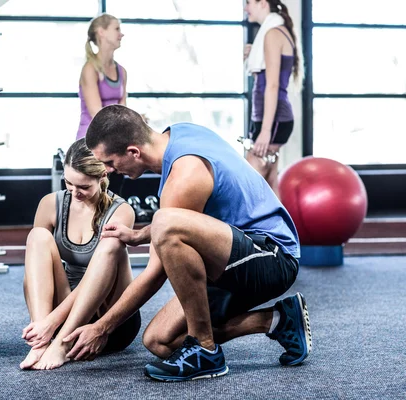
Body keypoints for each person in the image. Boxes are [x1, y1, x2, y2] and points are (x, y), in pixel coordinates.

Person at [63, 105, 311, 382]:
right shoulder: (178, 134)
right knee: (160, 341)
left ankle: (205, 350)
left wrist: (102, 327)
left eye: (110, 162)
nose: (109, 171)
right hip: (230, 254)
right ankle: (277, 320)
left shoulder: (185, 174)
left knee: (166, 222)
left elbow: (157, 270)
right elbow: (195, 220)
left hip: (272, 256)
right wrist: (140, 235)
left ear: (133, 152)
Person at [20, 138, 140, 370]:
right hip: (67, 306)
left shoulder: (121, 210)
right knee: (37, 237)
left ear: (102, 177)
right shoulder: (50, 204)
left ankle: (61, 345)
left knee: (111, 245)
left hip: (110, 317)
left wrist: (53, 321)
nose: (75, 192)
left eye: (84, 187)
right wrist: (43, 323)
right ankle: (40, 343)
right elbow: (34, 271)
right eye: (69, 183)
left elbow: (99, 275)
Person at [244, 0, 301, 196]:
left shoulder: (273, 33)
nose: (246, 8)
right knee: (269, 183)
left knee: (249, 183)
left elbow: (273, 85)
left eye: (249, 2)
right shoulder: (274, 32)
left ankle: (250, 228)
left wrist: (266, 131)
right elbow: (262, 83)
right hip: (269, 118)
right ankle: (278, 228)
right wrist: (252, 58)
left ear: (263, 3)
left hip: (274, 120)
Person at [76, 13, 127, 195]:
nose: (121, 34)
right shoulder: (90, 69)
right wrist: (126, 120)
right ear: (102, 32)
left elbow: (123, 110)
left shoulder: (122, 71)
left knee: (114, 198)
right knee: (94, 200)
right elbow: (97, 114)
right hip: (91, 142)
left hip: (115, 141)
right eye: (117, 29)